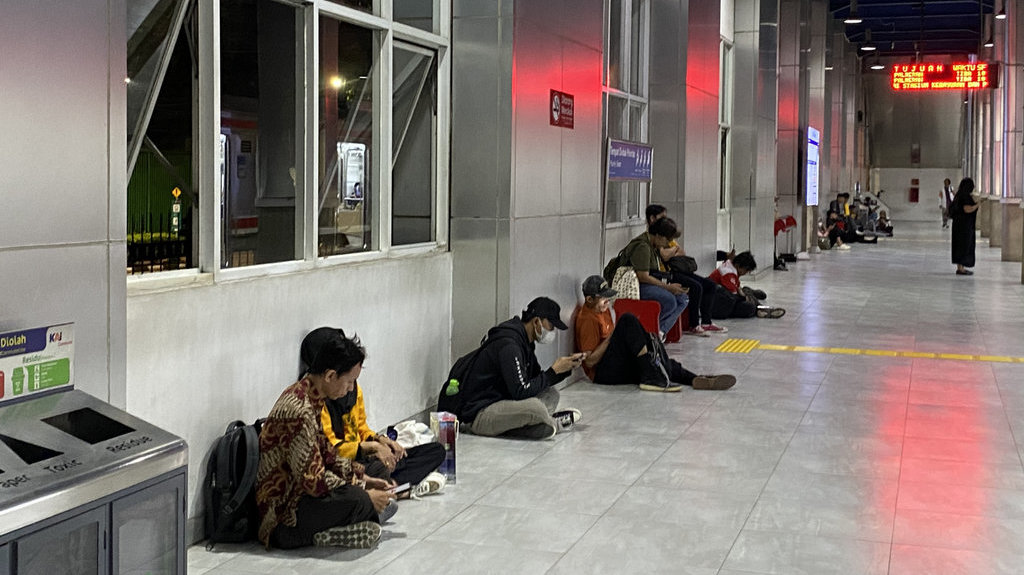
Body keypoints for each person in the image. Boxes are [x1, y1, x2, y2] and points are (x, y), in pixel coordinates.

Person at [256, 332, 393, 550]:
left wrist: (363, 476)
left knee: (376, 471)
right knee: (357, 498)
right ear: (330, 376)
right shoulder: (298, 411)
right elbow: (314, 482)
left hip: (306, 495)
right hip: (286, 517)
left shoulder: (313, 398)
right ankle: (357, 517)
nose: (351, 389)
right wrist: (364, 492)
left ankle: (356, 518)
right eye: (349, 382)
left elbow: (328, 456)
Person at [300, 327, 446, 499]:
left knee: (435, 451)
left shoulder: (350, 388)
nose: (351, 387)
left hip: (362, 456)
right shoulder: (313, 399)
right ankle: (394, 491)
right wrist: (370, 449)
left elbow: (361, 427)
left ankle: (391, 489)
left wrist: (382, 441)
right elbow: (329, 453)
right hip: (347, 462)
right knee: (378, 469)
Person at [441, 297, 583, 439]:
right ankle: (552, 423)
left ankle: (537, 422)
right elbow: (520, 391)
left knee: (551, 394)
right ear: (536, 321)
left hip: (501, 402)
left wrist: (564, 369)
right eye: (551, 326)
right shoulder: (509, 345)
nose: (552, 331)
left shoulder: (525, 342)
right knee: (536, 408)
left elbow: (535, 380)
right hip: (479, 414)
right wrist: (553, 371)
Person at [574, 275, 736, 391]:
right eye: (603, 298)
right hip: (603, 373)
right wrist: (611, 338)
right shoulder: (588, 319)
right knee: (627, 320)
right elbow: (589, 362)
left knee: (654, 351)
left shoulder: (602, 310)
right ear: (589, 299)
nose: (607, 302)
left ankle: (693, 378)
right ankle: (652, 374)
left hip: (614, 362)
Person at [645, 204, 727, 337]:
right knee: (696, 287)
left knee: (710, 285)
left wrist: (672, 251)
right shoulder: (653, 236)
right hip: (666, 273)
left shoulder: (666, 233)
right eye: (662, 217)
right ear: (652, 218)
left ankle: (706, 322)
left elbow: (681, 252)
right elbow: (665, 255)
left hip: (678, 269)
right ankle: (693, 324)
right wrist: (673, 251)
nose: (665, 219)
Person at [607, 217, 690, 336]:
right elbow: (642, 276)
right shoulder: (642, 247)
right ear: (658, 236)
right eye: (667, 240)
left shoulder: (654, 246)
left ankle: (660, 331)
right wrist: (667, 288)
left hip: (649, 283)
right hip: (636, 286)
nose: (668, 244)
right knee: (670, 301)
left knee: (682, 299)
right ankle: (650, 333)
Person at [707, 251, 785, 319]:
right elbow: (733, 296)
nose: (746, 273)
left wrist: (743, 295)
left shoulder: (730, 266)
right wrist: (745, 297)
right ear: (738, 265)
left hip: (725, 297)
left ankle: (757, 306)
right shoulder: (728, 273)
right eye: (746, 270)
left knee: (745, 293)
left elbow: (737, 288)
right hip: (719, 302)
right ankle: (758, 307)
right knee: (748, 307)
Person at [949, 177, 979, 275]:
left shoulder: (959, 195)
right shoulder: (965, 196)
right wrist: (977, 205)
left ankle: (960, 267)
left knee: (958, 246)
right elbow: (967, 209)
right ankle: (961, 268)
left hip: (958, 225)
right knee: (964, 246)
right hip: (964, 227)